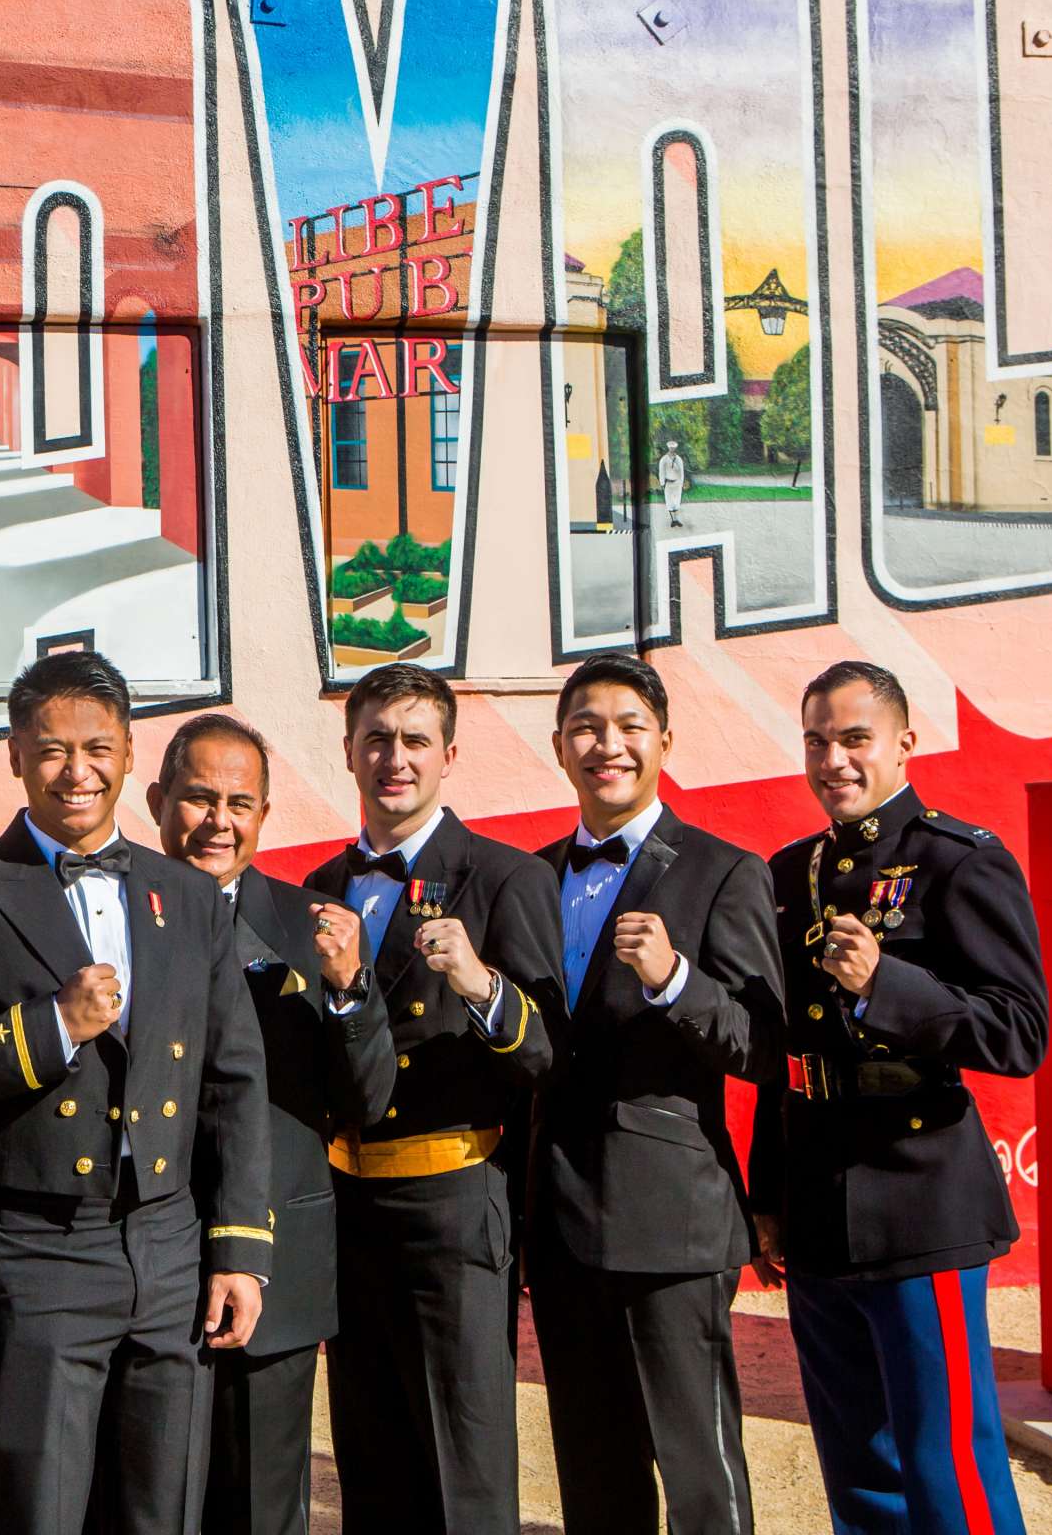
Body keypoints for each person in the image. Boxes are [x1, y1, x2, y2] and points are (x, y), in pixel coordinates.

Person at [0, 649, 272, 1535]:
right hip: (39, 1243)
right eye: (52, 749)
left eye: (97, 747)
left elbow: (233, 1082)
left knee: (161, 1508)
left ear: (131, 755)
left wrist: (239, 1248)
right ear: (14, 756)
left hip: (169, 1243)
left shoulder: (191, 895)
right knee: (39, 1509)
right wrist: (50, 1026)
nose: (76, 771)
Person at [751, 661, 1043, 1535]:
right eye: (816, 741)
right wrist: (769, 1194)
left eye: (853, 739)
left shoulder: (960, 861)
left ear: (903, 744)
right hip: (818, 1198)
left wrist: (890, 986)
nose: (833, 760)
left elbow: (1019, 1033)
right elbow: (783, 1048)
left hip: (921, 1197)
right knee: (856, 1466)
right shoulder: (788, 870)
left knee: (944, 1457)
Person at [300, 661, 564, 1535]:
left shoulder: (505, 877)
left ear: (450, 754)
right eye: (376, 739)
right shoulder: (323, 888)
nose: (394, 759)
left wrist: (482, 982)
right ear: (348, 752)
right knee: (371, 1456)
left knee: (464, 1460)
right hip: (349, 1202)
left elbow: (545, 1050)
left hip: (451, 1200)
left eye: (415, 740)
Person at [529, 653, 783, 1534]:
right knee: (593, 1470)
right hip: (555, 1220)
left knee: (700, 1473)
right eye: (588, 728)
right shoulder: (528, 875)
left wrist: (676, 979)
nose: (609, 745)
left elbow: (762, 1043)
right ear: (559, 746)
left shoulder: (723, 871)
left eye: (630, 726)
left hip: (671, 1221)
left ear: (665, 742)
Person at [146, 713, 387, 1535]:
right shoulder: (109, 913)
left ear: (264, 812)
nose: (220, 821)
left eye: (240, 803)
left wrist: (351, 990)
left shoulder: (316, 925)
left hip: (280, 1259)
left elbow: (365, 1103)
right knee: (145, 1498)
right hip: (146, 1257)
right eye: (199, 798)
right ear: (157, 801)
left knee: (263, 1508)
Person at [658, 438, 688, 529]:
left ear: (675, 448)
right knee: (669, 501)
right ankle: (673, 520)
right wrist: (662, 483)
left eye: (673, 448)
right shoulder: (664, 459)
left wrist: (681, 483)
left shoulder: (678, 459)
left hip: (677, 482)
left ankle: (677, 519)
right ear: (668, 448)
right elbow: (661, 472)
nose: (672, 449)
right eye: (670, 447)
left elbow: (681, 472)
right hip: (668, 483)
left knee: (676, 501)